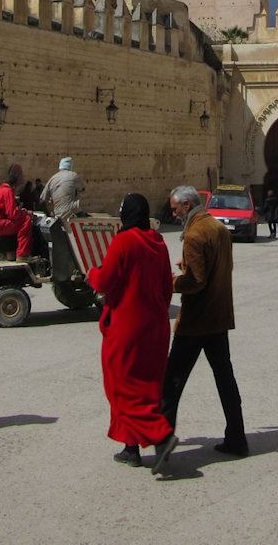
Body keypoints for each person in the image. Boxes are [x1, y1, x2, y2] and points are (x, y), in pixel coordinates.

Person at [85, 193, 178, 473]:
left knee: (120, 388)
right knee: (147, 387)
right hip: (156, 327)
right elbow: (166, 288)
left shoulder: (123, 241)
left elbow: (104, 280)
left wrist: (90, 273)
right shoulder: (159, 243)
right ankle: (130, 447)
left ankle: (161, 436)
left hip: (127, 327)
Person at [160, 184, 248, 458]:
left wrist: (169, 282)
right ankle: (236, 437)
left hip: (197, 320)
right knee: (225, 379)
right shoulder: (218, 228)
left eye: (176, 209)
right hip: (219, 317)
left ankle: (162, 440)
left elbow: (196, 282)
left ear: (187, 205)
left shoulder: (195, 234)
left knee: (171, 382)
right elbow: (216, 268)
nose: (174, 215)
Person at [0, 163, 37, 261]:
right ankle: (22, 254)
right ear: (15, 185)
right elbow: (13, 214)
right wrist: (26, 213)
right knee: (25, 221)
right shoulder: (8, 191)